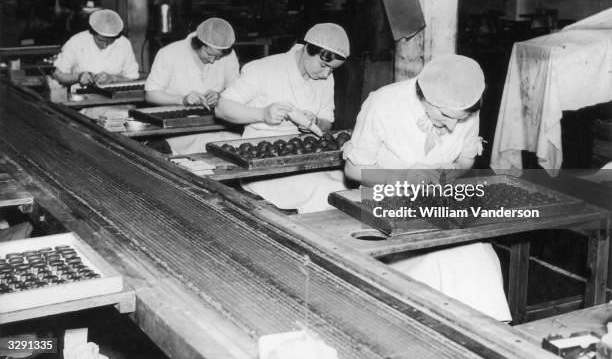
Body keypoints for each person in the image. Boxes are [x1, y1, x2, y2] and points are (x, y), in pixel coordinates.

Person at [343, 54, 511, 321]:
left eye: (462, 118)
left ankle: (486, 336)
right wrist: (402, 177)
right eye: (445, 115)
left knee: (478, 255)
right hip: (384, 208)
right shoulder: (384, 103)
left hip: (438, 206)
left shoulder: (464, 103)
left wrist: (443, 174)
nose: (453, 125)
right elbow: (353, 170)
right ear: (425, 97)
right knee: (443, 260)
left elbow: (466, 159)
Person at [215, 23, 350, 213]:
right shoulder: (265, 69)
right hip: (263, 164)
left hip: (306, 156)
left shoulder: (325, 78)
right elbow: (222, 108)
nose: (326, 74)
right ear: (308, 49)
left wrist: (316, 121)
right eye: (323, 65)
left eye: (332, 69)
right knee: (327, 189)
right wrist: (261, 114)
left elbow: (327, 123)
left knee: (351, 185)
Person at [145, 18, 240, 154]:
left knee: (234, 142)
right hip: (180, 130)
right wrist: (182, 100)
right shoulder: (170, 53)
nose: (213, 61)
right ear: (197, 44)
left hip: (217, 124)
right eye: (209, 54)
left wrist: (220, 96)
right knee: (215, 147)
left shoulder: (229, 56)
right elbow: (151, 94)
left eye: (218, 57)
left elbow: (236, 90)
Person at [53, 9, 139, 120]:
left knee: (130, 115)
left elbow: (133, 80)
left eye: (110, 41)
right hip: (85, 103)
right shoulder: (77, 42)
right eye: (101, 40)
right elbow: (58, 74)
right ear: (92, 32)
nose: (105, 45)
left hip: (119, 101)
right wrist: (78, 77)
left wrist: (113, 78)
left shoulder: (124, 44)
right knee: (121, 116)